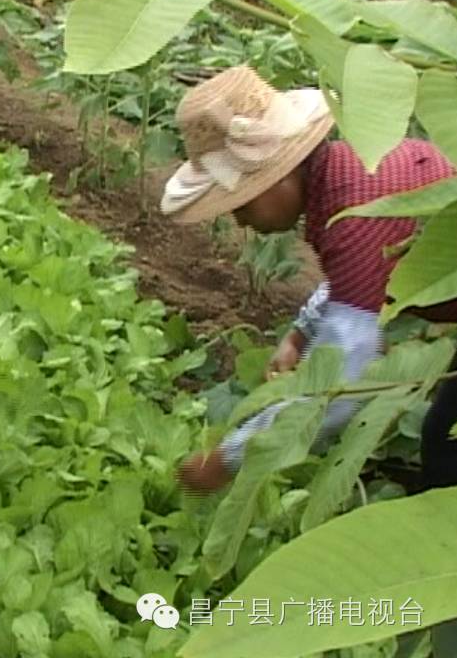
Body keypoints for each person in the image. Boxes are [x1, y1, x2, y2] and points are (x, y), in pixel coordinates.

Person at [158, 65, 457, 493]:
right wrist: (300, 335)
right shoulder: (349, 172)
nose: (240, 217)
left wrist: (228, 459)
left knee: (447, 447)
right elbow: (359, 277)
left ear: (278, 175)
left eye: (241, 201)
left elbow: (341, 385)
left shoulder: (354, 214)